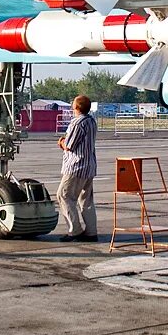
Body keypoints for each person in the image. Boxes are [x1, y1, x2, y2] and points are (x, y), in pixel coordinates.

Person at [56, 95, 99, 242]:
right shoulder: (91, 121)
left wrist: (61, 142)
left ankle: (75, 230)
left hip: (77, 167)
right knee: (86, 200)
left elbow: (69, 146)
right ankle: (91, 232)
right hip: (89, 166)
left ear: (76, 107)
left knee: (63, 195)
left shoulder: (77, 123)